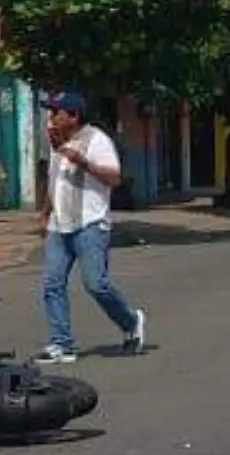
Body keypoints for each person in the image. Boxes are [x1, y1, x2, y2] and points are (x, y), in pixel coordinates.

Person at [36, 90, 147, 364]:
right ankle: (62, 344)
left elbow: (114, 177)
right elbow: (55, 183)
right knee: (52, 284)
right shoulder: (56, 143)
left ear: (73, 116)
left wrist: (83, 162)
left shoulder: (96, 140)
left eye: (56, 112)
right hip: (59, 226)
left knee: (96, 284)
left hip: (90, 225)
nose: (50, 118)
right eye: (49, 112)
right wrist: (45, 214)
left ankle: (131, 322)